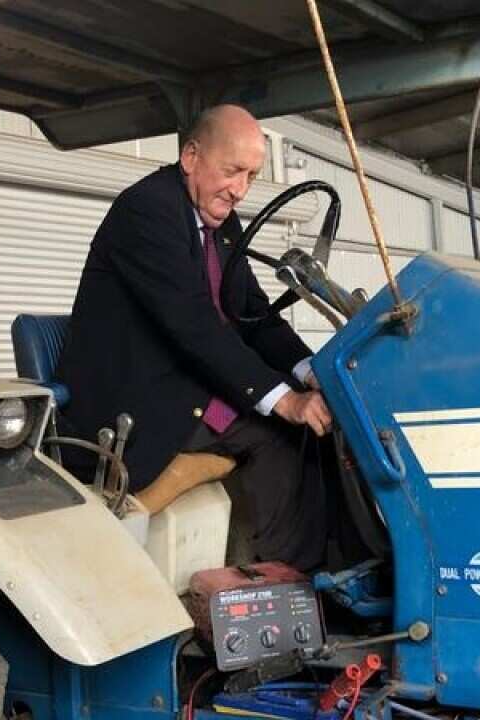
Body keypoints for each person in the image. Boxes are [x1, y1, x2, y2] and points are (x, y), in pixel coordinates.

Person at [55, 104, 332, 570]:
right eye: (232, 171)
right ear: (191, 157)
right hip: (135, 398)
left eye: (251, 175)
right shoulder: (146, 211)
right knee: (282, 434)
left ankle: (290, 580)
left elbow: (253, 316)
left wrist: (314, 373)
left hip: (186, 382)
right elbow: (194, 325)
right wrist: (285, 400)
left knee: (308, 435)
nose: (241, 190)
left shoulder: (222, 224)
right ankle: (284, 579)